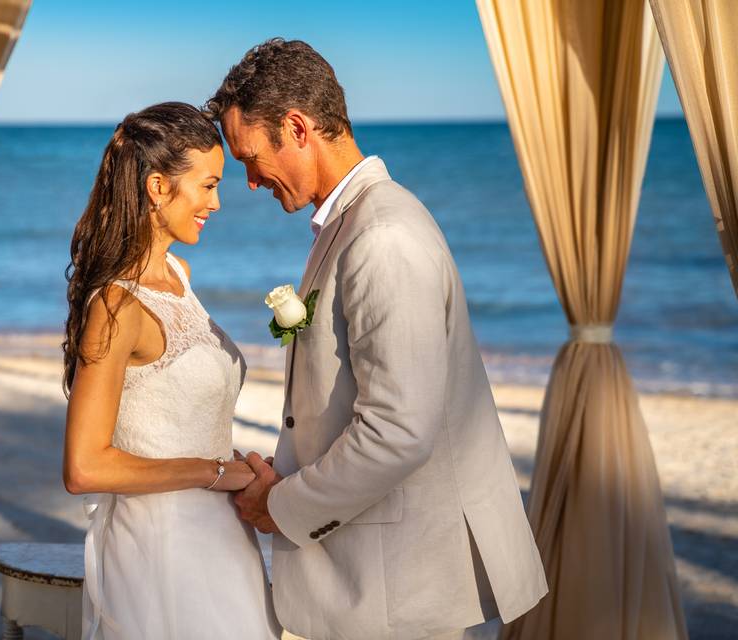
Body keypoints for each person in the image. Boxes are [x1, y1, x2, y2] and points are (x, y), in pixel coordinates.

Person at [205, 38, 548, 639]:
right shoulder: (349, 224)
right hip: (372, 581)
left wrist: (280, 506)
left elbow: (397, 431)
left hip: (399, 589)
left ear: (298, 127)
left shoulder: (383, 235)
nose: (251, 182)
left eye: (251, 157)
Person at [61, 101, 280, 640]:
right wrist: (214, 473)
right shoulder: (115, 306)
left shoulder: (179, 274)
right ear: (158, 187)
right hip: (163, 550)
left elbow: (179, 417)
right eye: (207, 186)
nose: (218, 202)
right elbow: (85, 467)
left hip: (223, 538)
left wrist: (239, 467)